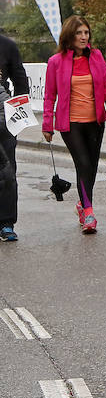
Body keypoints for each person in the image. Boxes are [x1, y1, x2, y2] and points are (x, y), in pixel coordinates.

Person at [42, 16, 106, 234]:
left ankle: (82, 205)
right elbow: (49, 95)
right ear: (70, 35)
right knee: (83, 164)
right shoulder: (56, 62)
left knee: (91, 167)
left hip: (95, 121)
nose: (84, 37)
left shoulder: (96, 56)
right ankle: (89, 212)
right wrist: (47, 124)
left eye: (86, 33)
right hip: (71, 123)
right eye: (79, 33)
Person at [0, 33, 28, 242]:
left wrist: (18, 116)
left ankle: (7, 223)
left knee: (8, 172)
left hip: (4, 119)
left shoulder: (7, 46)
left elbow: (20, 81)